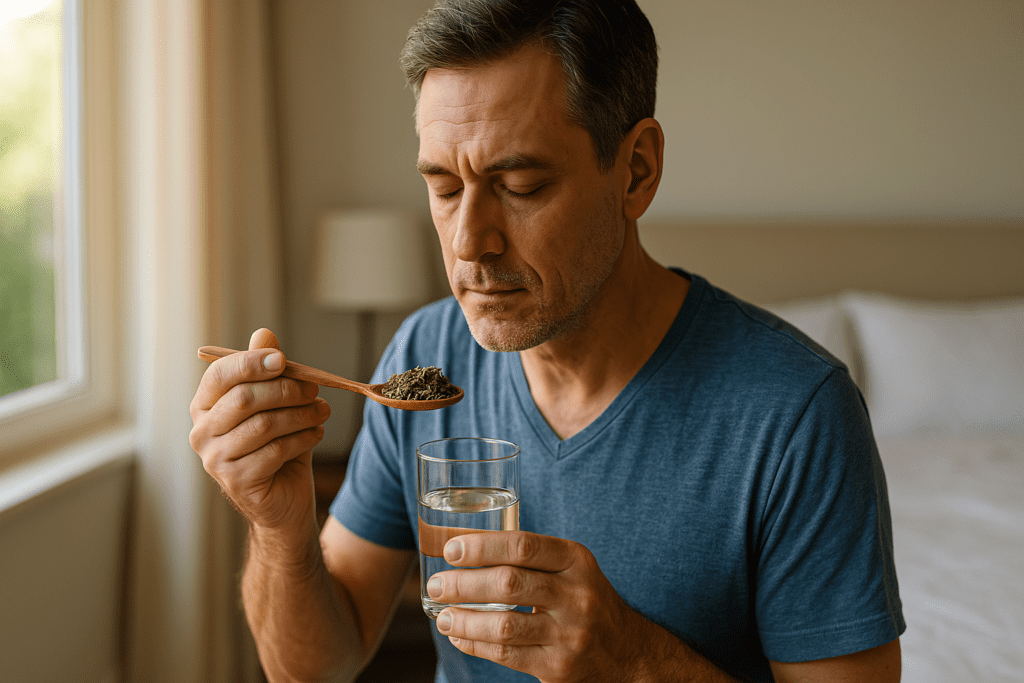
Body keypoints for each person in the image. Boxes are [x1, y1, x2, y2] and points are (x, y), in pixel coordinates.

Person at [189, 1, 905, 681]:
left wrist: (632, 662)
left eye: (522, 185)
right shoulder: (422, 355)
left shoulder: (795, 416)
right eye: (443, 188)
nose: (470, 241)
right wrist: (280, 526)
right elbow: (314, 665)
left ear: (636, 171)